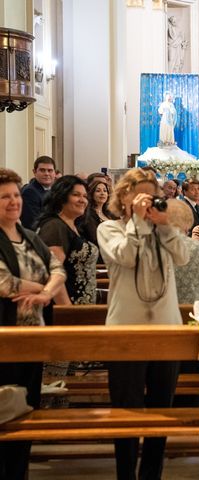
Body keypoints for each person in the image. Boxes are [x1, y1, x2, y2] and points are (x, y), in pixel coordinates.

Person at [97, 168, 189, 480]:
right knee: (126, 408)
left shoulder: (164, 229)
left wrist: (165, 227)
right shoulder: (109, 229)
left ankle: (152, 473)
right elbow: (125, 256)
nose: (148, 200)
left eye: (153, 194)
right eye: (141, 194)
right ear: (123, 197)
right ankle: (126, 473)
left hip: (167, 329)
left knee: (161, 409)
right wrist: (137, 221)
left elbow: (183, 258)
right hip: (126, 330)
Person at [0, 168, 66, 480]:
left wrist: (47, 292)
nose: (13, 201)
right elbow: (3, 282)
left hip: (33, 337)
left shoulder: (28, 235)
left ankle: (19, 470)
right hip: (5, 338)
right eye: (5, 197)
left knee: (27, 408)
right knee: (4, 410)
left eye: (15, 195)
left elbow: (57, 269)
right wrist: (41, 289)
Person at [36, 175, 98, 305]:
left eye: (85, 196)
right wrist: (67, 310)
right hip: (66, 307)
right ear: (61, 197)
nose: (82, 200)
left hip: (82, 304)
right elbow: (53, 273)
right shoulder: (55, 226)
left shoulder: (74, 226)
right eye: (76, 195)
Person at [81, 178, 115, 262]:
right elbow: (94, 237)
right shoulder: (87, 214)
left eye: (105, 191)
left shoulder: (111, 214)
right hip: (98, 256)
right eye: (98, 191)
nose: (102, 193)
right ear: (92, 194)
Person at [20, 156, 56, 229]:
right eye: (42, 170)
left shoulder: (54, 190)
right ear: (34, 172)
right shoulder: (29, 192)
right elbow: (32, 223)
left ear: (54, 172)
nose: (46, 174)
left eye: (50, 170)